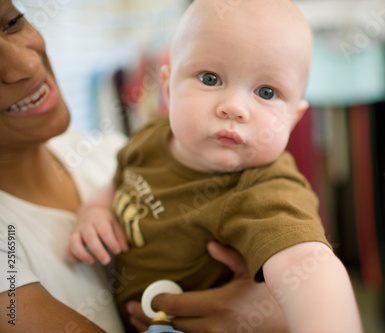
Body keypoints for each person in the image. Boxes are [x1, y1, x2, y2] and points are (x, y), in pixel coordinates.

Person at [67, 0, 364, 332]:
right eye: (210, 78)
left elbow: (308, 266)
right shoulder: (152, 136)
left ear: (293, 120)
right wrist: (95, 208)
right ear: (167, 88)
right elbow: (120, 177)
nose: (235, 107)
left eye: (266, 91)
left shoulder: (264, 188)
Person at [0, 0, 291, 332]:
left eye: (12, 23)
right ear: (167, 85)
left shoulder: (111, 151)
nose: (24, 64)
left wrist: (273, 312)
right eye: (210, 79)